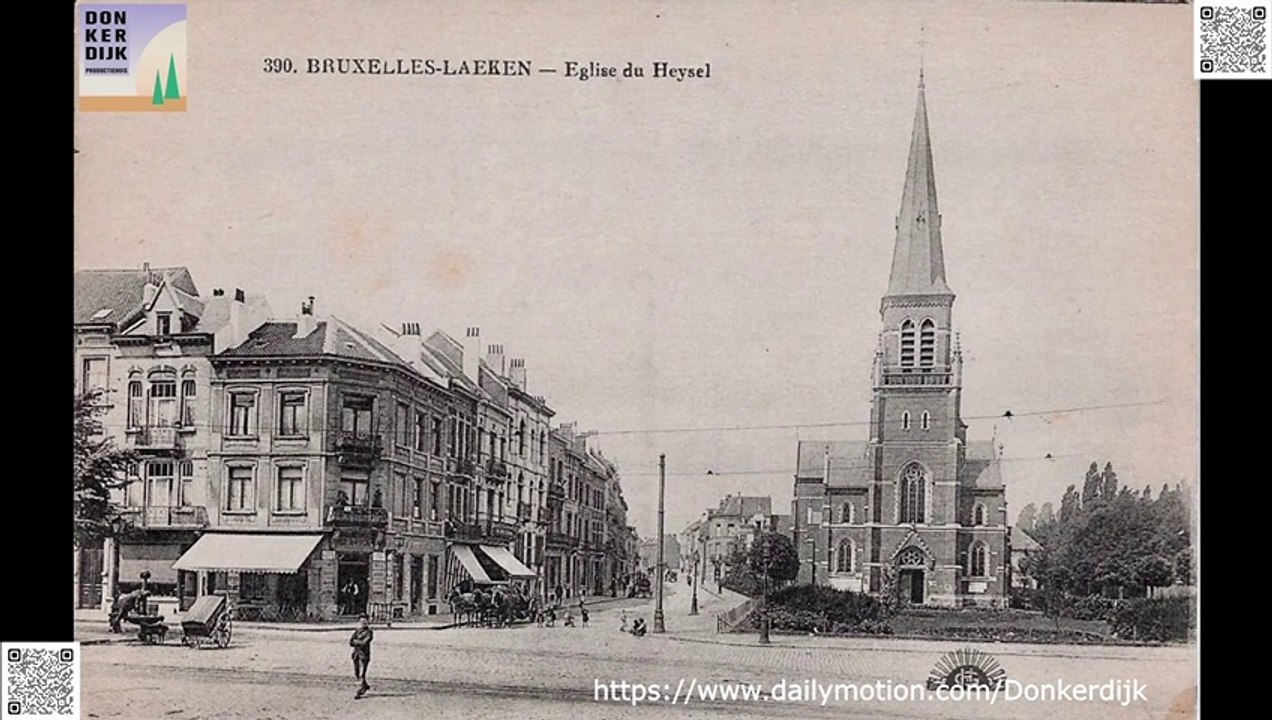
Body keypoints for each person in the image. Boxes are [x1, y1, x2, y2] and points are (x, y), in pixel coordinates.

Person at [349, 613, 374, 699]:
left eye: (365, 621)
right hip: (356, 655)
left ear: (368, 622)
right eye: (361, 621)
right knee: (357, 673)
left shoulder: (369, 632)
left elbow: (364, 643)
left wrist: (356, 642)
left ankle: (360, 691)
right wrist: (357, 642)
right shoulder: (357, 631)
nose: (363, 622)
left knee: (362, 674)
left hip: (364, 655)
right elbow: (350, 642)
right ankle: (365, 685)